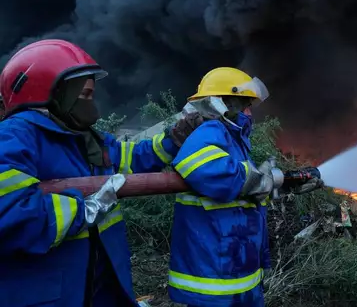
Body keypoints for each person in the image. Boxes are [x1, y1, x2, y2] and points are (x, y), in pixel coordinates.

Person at [0, 39, 204, 307]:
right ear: (52, 91)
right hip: (47, 295)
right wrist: (82, 210)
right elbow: (9, 211)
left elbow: (130, 159)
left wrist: (174, 139)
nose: (90, 104)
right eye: (83, 95)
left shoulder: (84, 137)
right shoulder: (14, 138)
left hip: (103, 288)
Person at [167, 67, 275, 307]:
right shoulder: (211, 131)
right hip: (214, 279)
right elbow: (200, 167)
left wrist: (277, 183)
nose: (249, 113)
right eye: (245, 105)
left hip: (236, 271)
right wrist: (258, 180)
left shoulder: (232, 138)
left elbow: (242, 193)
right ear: (227, 105)